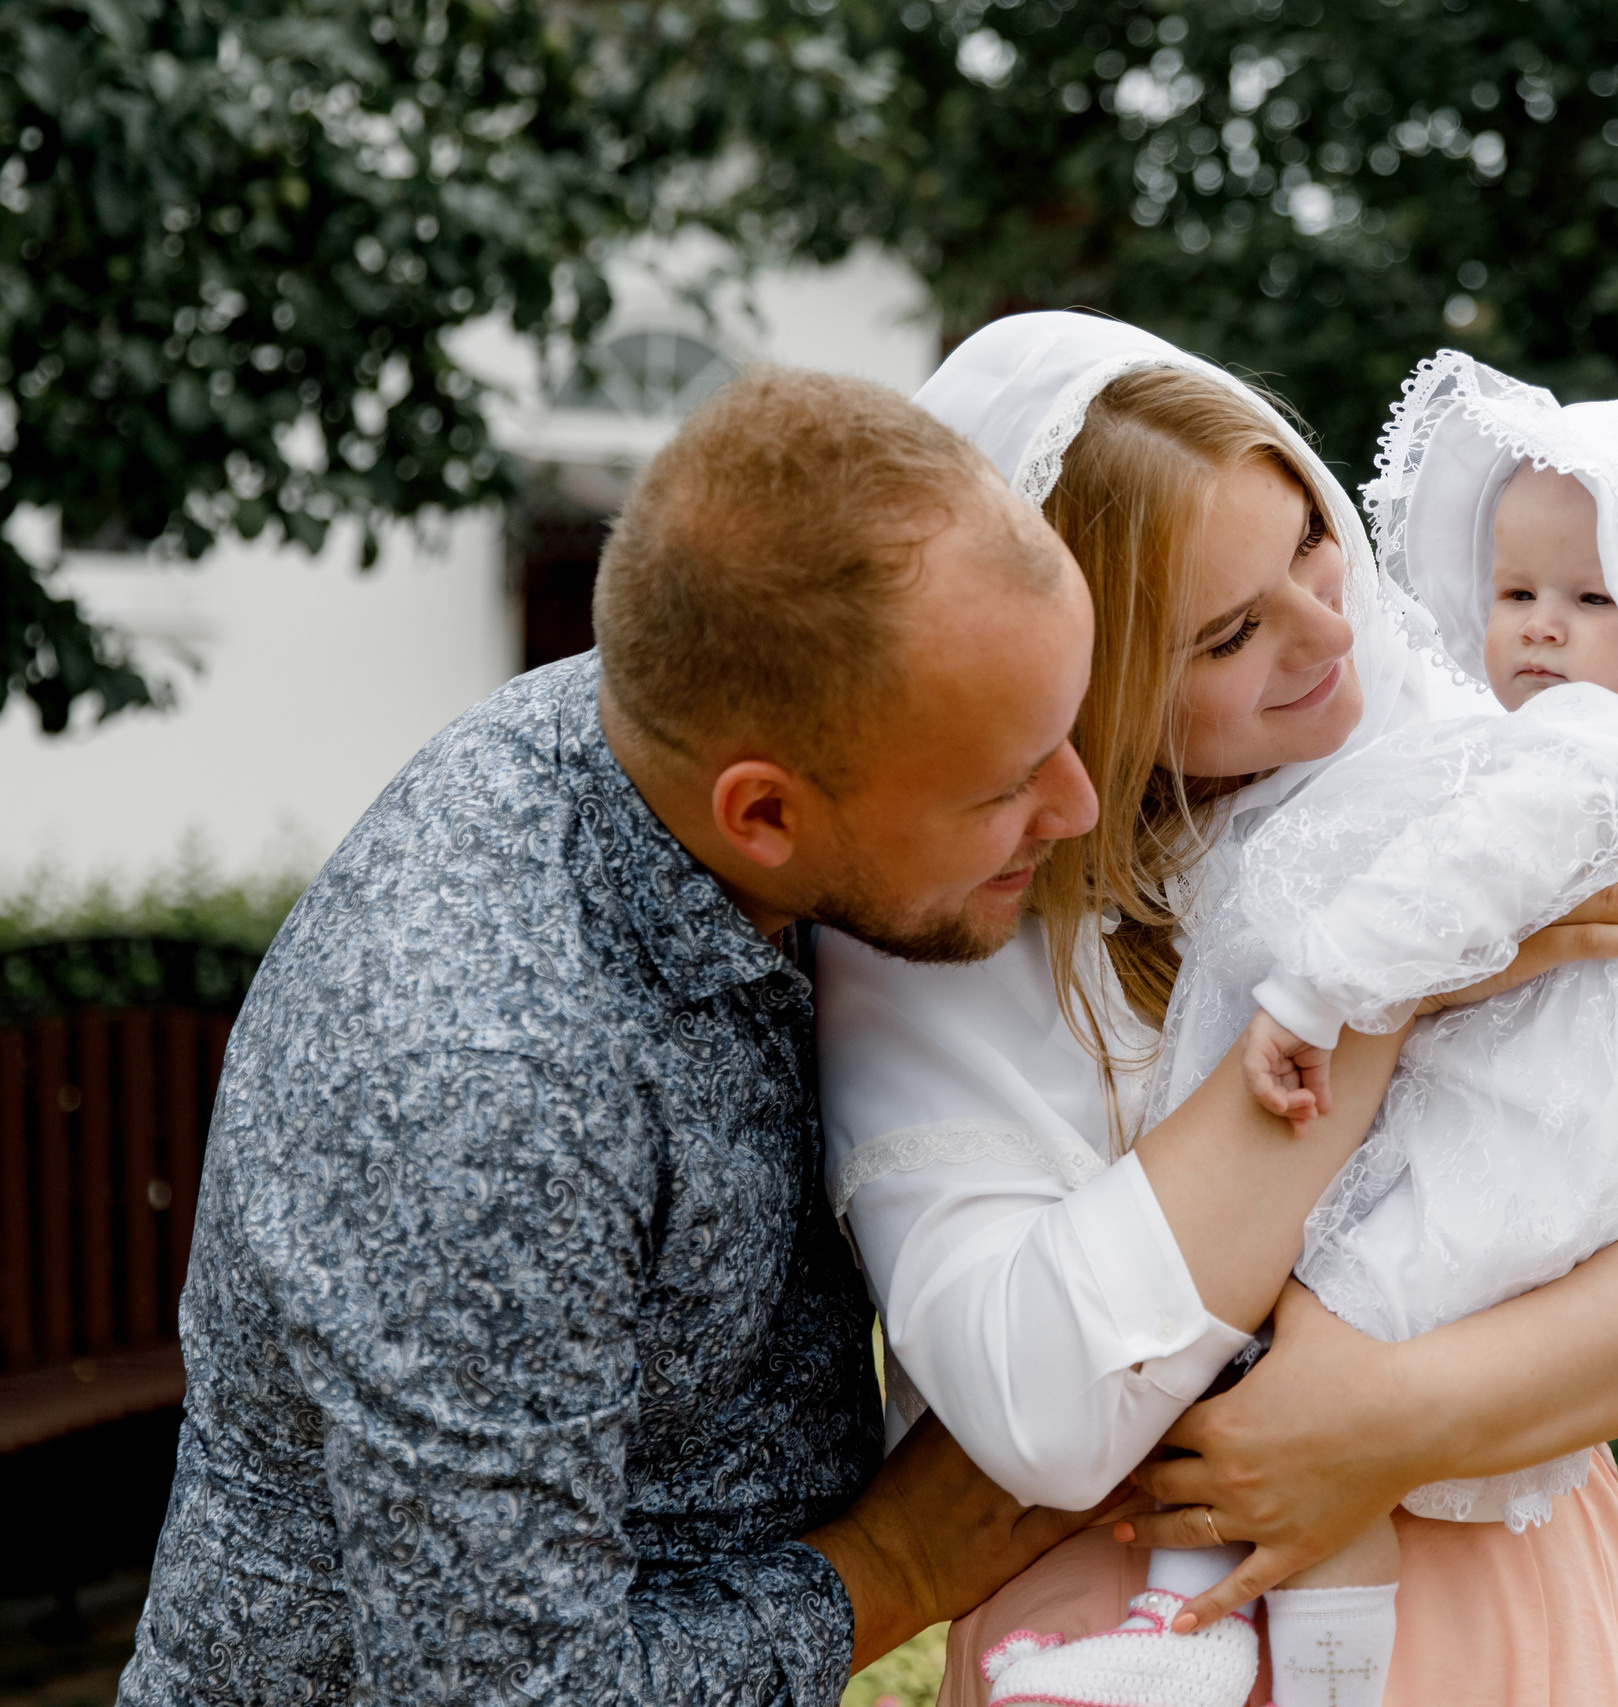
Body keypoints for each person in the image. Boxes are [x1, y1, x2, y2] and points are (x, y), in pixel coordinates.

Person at [817, 313, 1618, 1707]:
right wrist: (1390, 993)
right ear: (1087, 686)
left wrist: (1389, 1421)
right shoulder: (957, 926)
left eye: (1312, 542)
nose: (1333, 632)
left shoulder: (1485, 765)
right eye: (1229, 633)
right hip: (1137, 1639)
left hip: (1525, 1613)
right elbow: (1048, 1407)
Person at [117, 368, 1127, 1706]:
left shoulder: (725, 707)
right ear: (762, 813)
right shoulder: (483, 1091)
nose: (1078, 802)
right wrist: (894, 1563)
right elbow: (512, 1695)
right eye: (1008, 784)